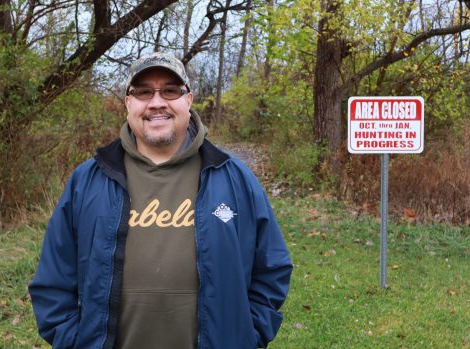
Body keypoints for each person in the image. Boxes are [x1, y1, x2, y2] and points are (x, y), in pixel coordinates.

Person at [28, 52, 292, 349]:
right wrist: (73, 341)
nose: (156, 102)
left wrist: (247, 335)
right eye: (143, 92)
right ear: (128, 103)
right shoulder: (88, 181)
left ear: (188, 100)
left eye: (170, 90)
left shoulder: (234, 179)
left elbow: (272, 268)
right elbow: (54, 279)